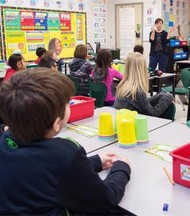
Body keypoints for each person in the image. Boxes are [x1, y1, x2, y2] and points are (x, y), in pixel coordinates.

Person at [0, 69, 131, 215]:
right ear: (57, 123)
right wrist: (121, 169)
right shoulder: (65, 153)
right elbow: (106, 199)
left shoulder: (6, 140)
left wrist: (94, 162)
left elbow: (44, 171)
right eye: (68, 103)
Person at [113, 52, 174, 117]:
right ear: (142, 69)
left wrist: (159, 96)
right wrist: (168, 97)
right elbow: (153, 114)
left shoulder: (123, 87)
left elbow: (143, 102)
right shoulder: (137, 92)